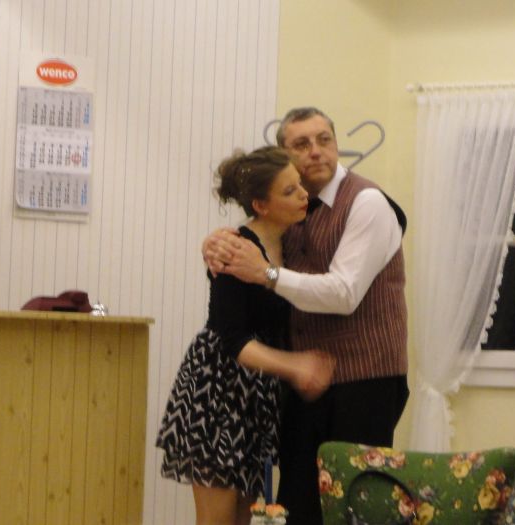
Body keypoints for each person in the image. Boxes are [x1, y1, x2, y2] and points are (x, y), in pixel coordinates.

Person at [202, 107, 410, 525]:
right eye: (301, 144)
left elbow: (344, 293)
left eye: (324, 139)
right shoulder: (287, 211)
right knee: (297, 507)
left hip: (365, 382)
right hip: (300, 388)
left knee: (356, 509)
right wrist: (217, 244)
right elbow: (244, 270)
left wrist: (266, 274)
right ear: (286, 155)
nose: (315, 151)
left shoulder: (366, 202)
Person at [156, 145, 336, 525]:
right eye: (289, 191)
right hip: (218, 391)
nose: (303, 195)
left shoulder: (291, 240)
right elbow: (232, 339)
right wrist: (295, 366)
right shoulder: (235, 248)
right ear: (261, 205)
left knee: (244, 516)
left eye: (300, 185)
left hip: (257, 396)